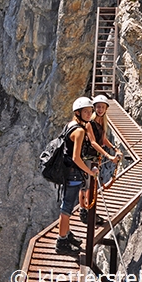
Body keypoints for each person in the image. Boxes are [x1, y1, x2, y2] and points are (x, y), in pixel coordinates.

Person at [56, 97, 99, 255]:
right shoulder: (80, 131)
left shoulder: (70, 125)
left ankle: (66, 235)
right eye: (86, 111)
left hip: (67, 172)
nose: (89, 114)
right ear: (78, 113)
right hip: (73, 174)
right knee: (66, 209)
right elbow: (76, 158)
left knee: (66, 207)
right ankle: (61, 242)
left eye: (90, 111)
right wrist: (90, 172)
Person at [79, 94, 123, 224]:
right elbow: (93, 142)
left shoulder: (102, 123)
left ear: (105, 109)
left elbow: (103, 139)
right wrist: (108, 155)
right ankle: (83, 210)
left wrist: (114, 149)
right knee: (85, 185)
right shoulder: (89, 124)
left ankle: (89, 210)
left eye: (102, 107)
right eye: (98, 107)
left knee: (91, 184)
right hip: (87, 156)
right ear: (94, 108)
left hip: (94, 157)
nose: (100, 109)